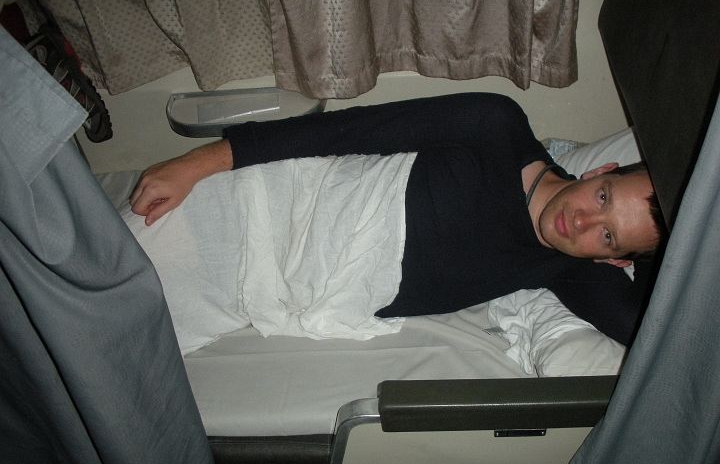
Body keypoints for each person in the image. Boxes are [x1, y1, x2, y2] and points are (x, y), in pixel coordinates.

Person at [130, 93, 663, 344]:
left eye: (608, 235)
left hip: (273, 287)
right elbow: (344, 130)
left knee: (123, 343)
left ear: (617, 260)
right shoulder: (493, 127)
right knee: (108, 277)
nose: (581, 222)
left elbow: (652, 332)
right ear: (602, 170)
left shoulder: (568, 268)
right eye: (603, 197)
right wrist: (196, 163)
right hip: (270, 207)